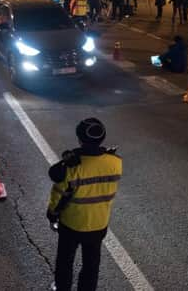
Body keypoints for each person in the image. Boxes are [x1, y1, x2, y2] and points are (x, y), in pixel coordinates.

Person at [47, 118, 122, 291]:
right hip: (99, 224)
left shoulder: (73, 167)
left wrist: (52, 213)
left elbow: (58, 194)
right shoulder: (116, 163)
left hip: (72, 224)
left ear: (80, 139)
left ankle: (62, 287)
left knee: (65, 260)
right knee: (92, 263)